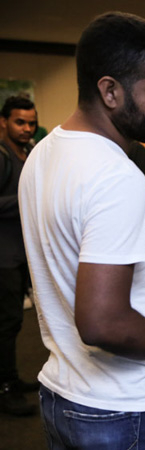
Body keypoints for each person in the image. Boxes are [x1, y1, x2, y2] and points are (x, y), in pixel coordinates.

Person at [18, 12, 145, 448]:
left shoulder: (43, 154)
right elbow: (102, 322)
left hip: (66, 394)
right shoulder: (115, 176)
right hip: (131, 409)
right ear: (109, 91)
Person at [0, 96, 39, 416]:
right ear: (3, 122)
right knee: (6, 323)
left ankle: (10, 378)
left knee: (12, 323)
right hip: (3, 257)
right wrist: (28, 198)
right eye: (19, 122)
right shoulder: (1, 156)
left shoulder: (23, 154)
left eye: (31, 122)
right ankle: (5, 388)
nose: (26, 128)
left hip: (17, 255)